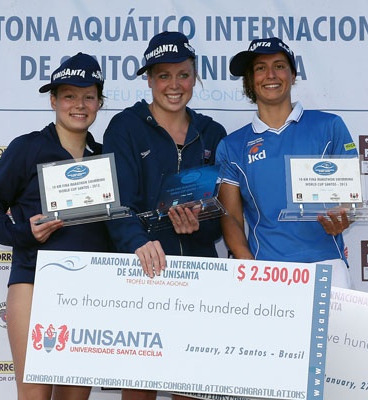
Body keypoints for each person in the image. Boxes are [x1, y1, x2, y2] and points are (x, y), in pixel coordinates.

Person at [0, 52, 112, 400]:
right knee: (34, 394)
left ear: (99, 102)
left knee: (75, 397)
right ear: (53, 100)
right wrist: (23, 233)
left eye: (88, 96)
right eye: (69, 95)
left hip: (89, 289)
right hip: (34, 280)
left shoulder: (106, 158)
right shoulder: (28, 148)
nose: (79, 105)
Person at [103, 31, 226, 400]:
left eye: (183, 74)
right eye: (163, 76)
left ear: (196, 76)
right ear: (148, 79)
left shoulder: (213, 133)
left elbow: (223, 216)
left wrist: (199, 227)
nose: (174, 85)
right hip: (143, 270)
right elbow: (115, 204)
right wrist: (138, 243)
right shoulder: (125, 127)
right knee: (140, 385)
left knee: (189, 385)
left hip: (199, 274)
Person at [216, 37, 356, 288]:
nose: (270, 75)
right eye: (260, 68)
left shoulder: (329, 126)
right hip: (267, 271)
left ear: (292, 74)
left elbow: (350, 198)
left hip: (327, 266)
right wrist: (249, 265)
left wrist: (346, 213)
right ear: (250, 80)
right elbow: (231, 216)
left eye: (279, 66)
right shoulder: (232, 145)